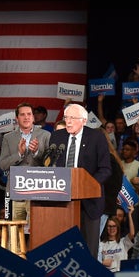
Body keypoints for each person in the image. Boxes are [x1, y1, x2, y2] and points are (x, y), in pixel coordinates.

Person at [49, 102, 112, 259]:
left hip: (89, 203)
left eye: (72, 118)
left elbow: (105, 169)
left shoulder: (97, 137)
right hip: (62, 201)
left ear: (84, 120)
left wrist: (86, 184)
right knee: (63, 248)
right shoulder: (57, 136)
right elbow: (50, 164)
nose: (68, 121)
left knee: (88, 251)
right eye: (66, 117)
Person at [0, 102, 51, 223]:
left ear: (33, 117)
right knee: (14, 231)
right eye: (22, 115)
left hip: (38, 192)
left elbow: (51, 164)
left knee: (38, 229)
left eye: (29, 114)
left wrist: (36, 152)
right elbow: (3, 165)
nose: (26, 117)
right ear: (17, 118)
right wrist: (19, 154)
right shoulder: (8, 137)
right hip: (14, 192)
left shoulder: (45, 135)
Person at [98, 206, 135, 272]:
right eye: (109, 226)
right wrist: (102, 263)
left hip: (122, 275)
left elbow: (132, 233)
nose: (112, 228)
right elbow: (96, 262)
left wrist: (129, 215)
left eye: (114, 226)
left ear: (118, 228)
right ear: (106, 228)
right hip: (108, 276)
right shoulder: (101, 244)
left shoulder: (123, 242)